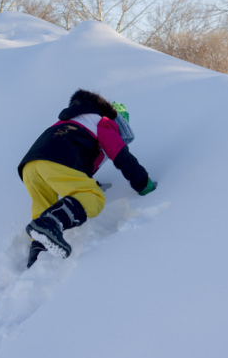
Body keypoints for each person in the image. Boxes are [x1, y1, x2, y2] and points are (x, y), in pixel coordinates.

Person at [17, 89, 157, 268]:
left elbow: (78, 155)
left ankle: (38, 251)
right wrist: (143, 184)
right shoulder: (103, 122)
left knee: (44, 205)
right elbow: (123, 157)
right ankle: (51, 223)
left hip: (31, 165)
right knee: (93, 197)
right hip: (57, 159)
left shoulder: (70, 121)